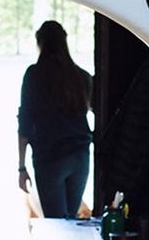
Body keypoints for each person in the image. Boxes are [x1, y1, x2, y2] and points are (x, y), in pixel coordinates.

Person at [17, 19, 93, 218]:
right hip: (80, 155)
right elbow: (98, 112)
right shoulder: (81, 77)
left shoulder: (34, 76)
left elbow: (25, 121)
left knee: (57, 223)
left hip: (49, 158)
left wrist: (21, 167)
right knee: (70, 221)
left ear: (40, 43)